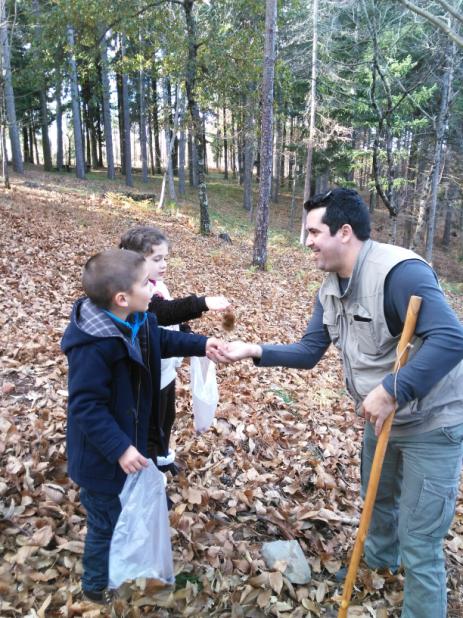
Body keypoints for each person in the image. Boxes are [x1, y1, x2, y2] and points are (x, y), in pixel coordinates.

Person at [223, 188, 463, 618]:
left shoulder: (401, 273)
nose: (308, 241)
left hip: (433, 422)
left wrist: (391, 388)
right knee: (378, 503)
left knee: (420, 538)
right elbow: (310, 350)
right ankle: (376, 565)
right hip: (382, 419)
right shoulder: (330, 286)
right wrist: (252, 350)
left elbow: (451, 339)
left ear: (345, 232)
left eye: (314, 232)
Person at [61, 248, 226, 604]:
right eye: (146, 283)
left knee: (123, 514)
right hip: (103, 459)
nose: (153, 288)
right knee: (105, 524)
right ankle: (94, 585)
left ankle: (127, 562)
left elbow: (163, 341)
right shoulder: (94, 345)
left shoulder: (139, 320)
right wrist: (119, 448)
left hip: (133, 444)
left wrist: (203, 344)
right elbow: (85, 406)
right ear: (122, 298)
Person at [119, 225, 230, 474]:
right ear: (134, 261)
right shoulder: (135, 292)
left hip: (165, 372)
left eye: (165, 258)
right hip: (148, 377)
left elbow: (169, 322)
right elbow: (161, 312)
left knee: (165, 420)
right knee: (150, 427)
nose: (164, 264)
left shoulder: (156, 284)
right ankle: (149, 479)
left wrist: (191, 337)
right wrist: (202, 303)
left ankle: (163, 460)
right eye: (157, 259)